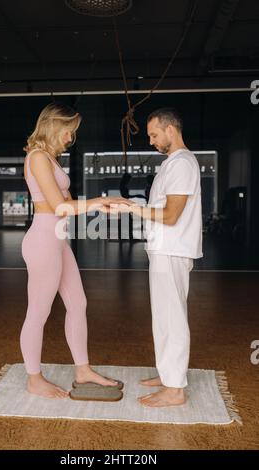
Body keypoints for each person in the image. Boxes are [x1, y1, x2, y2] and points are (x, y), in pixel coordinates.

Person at [21, 102, 130, 399]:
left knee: (78, 303)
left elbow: (68, 206)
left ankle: (82, 370)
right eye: (70, 130)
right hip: (43, 239)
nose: (71, 137)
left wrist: (103, 205)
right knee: (39, 311)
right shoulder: (37, 157)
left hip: (58, 239)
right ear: (55, 125)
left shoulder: (52, 160)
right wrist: (97, 201)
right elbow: (58, 206)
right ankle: (34, 378)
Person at [113, 108, 203, 407]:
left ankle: (175, 389)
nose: (151, 140)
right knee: (163, 317)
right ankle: (169, 376)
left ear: (170, 130)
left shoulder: (182, 164)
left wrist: (132, 208)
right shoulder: (171, 164)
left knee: (172, 318)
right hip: (164, 249)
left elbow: (171, 215)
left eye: (153, 134)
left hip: (172, 250)